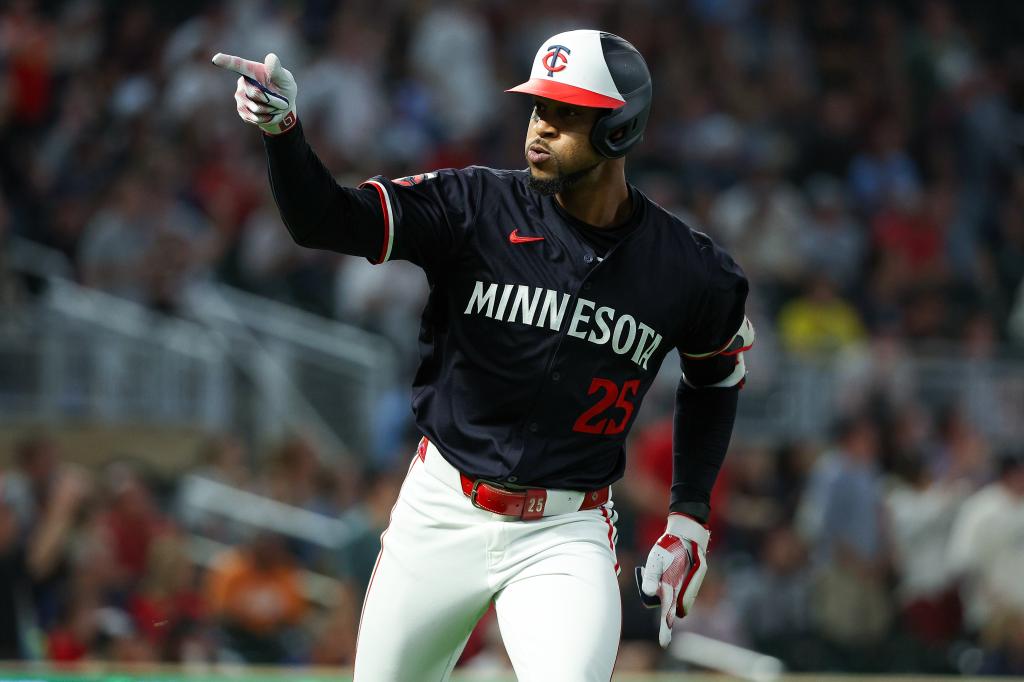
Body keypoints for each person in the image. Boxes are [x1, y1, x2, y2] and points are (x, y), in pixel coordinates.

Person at [213, 28, 754, 681]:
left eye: (565, 114)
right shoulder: (475, 205)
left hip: (564, 532)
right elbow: (325, 220)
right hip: (440, 509)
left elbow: (716, 376)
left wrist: (689, 515)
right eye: (538, 107)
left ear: (619, 130)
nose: (540, 128)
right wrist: (283, 134)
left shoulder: (688, 269)